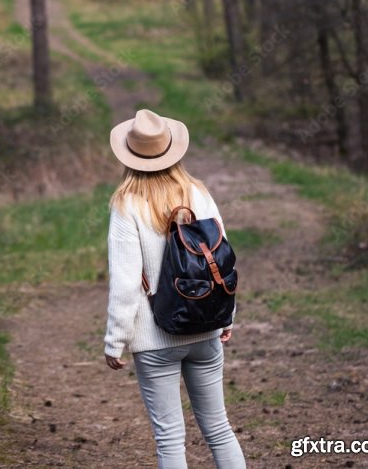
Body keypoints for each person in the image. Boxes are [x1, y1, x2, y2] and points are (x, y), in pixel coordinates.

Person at [104, 108, 247, 469]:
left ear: (130, 156)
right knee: (219, 428)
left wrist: (115, 341)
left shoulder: (127, 205)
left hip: (155, 339)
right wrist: (227, 316)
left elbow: (124, 281)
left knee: (169, 440)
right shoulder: (199, 194)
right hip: (205, 331)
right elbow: (222, 262)